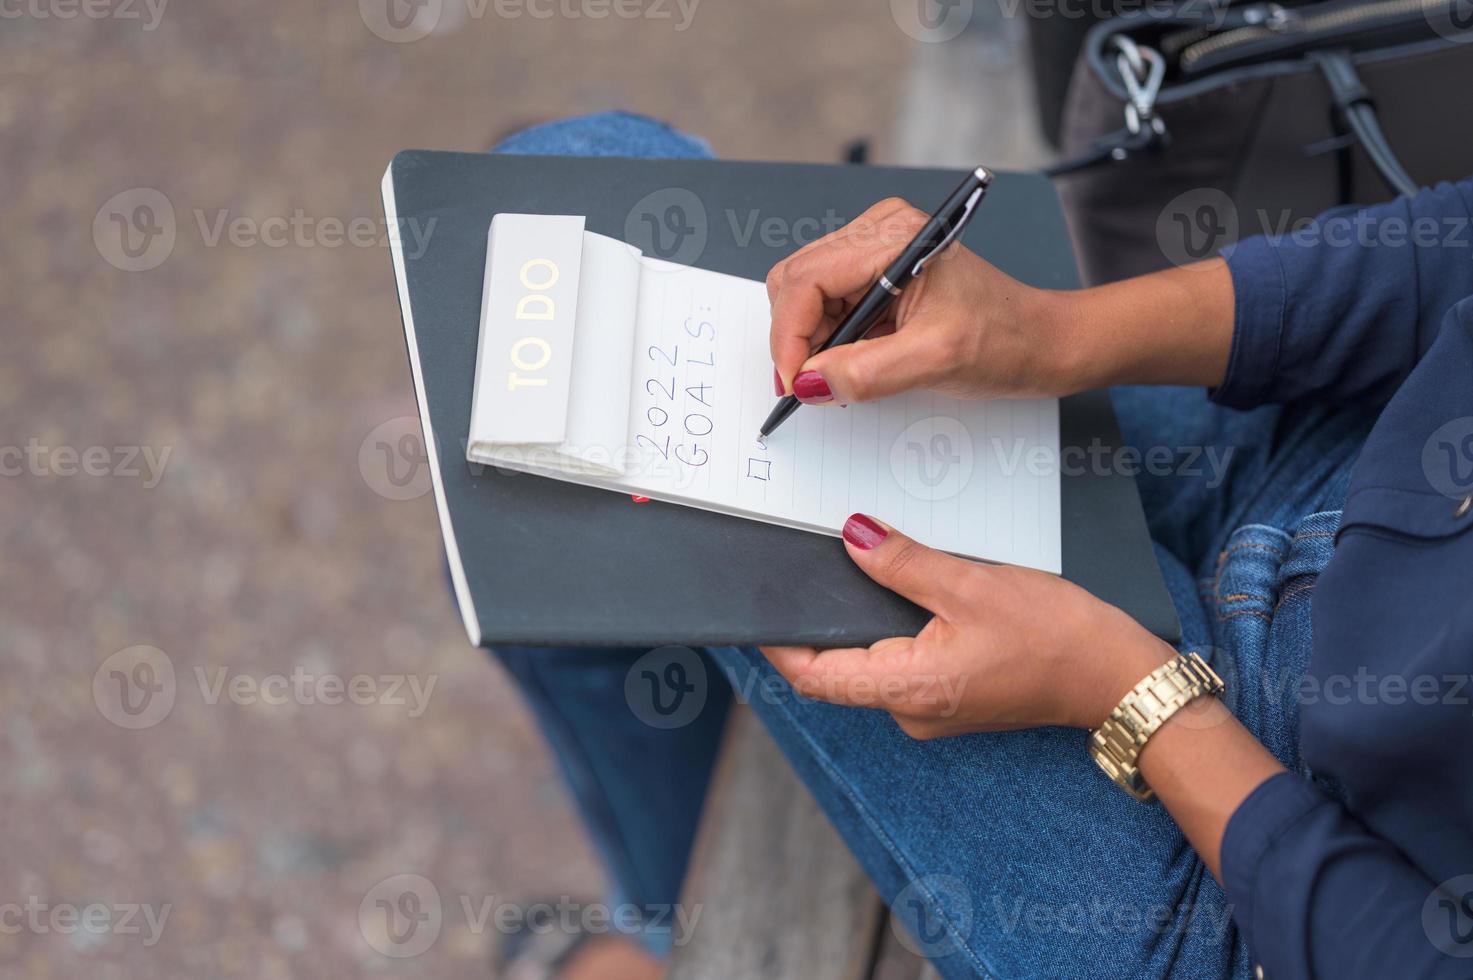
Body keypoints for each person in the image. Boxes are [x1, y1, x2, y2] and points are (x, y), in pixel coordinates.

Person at [486, 111, 1473, 980]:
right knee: (557, 225)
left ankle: (664, 932)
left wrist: (1131, 691)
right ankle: (668, 923)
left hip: (1274, 866)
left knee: (555, 465)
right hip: (1345, 447)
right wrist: (1056, 333)